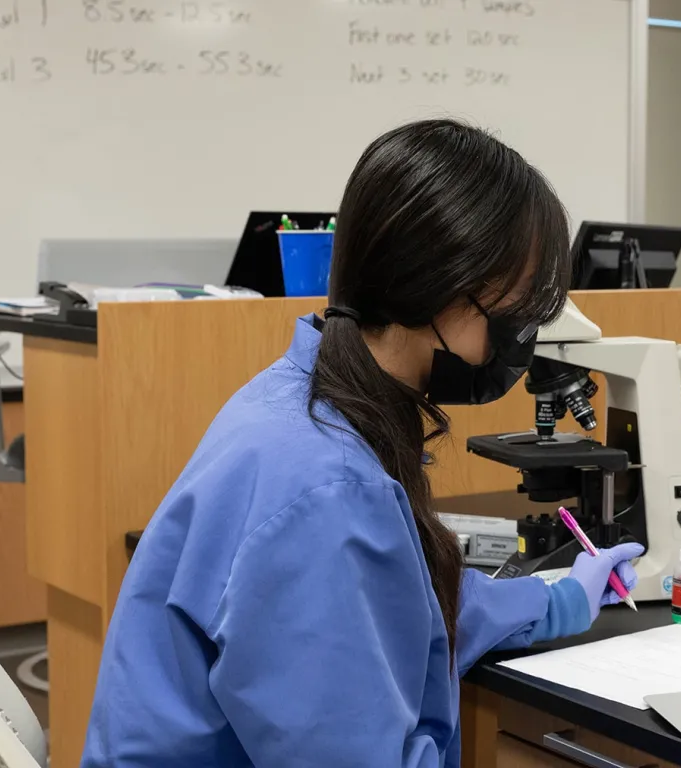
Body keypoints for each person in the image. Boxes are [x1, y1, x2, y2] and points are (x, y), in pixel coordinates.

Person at [81, 119, 645, 767]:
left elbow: (390, 614)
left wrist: (555, 598)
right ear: (442, 287)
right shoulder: (328, 490)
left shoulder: (298, 397)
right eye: (515, 307)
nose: (521, 333)